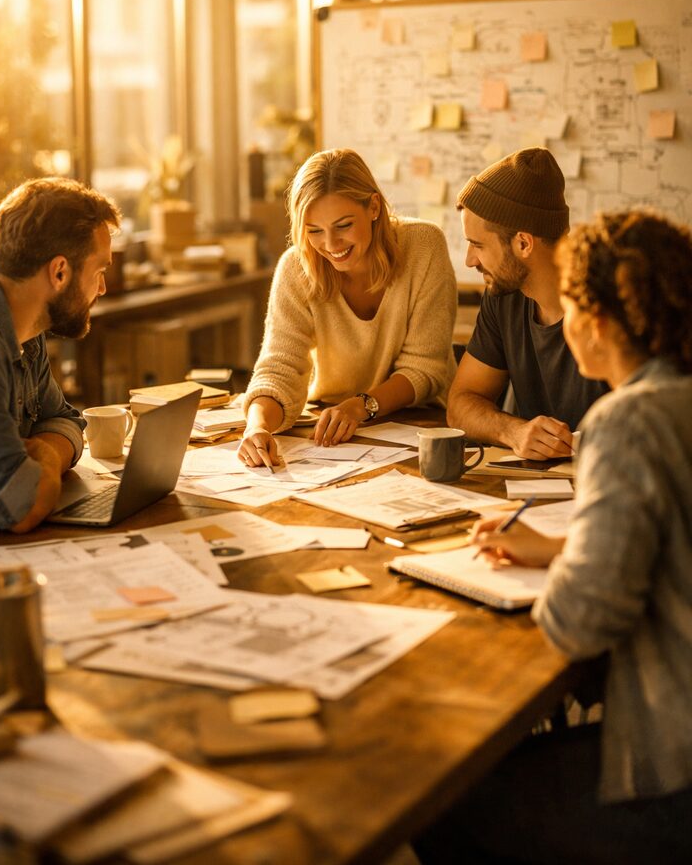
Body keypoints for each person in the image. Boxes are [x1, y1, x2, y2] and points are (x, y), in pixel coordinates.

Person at [415, 209, 692, 865]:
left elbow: (578, 623)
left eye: (568, 307)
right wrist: (566, 546)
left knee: (442, 798)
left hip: (674, 772)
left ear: (594, 324)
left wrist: (570, 569)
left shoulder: (623, 422)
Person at [238, 149, 457, 467]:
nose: (331, 244)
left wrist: (360, 406)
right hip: (332, 427)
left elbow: (425, 369)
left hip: (420, 423)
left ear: (373, 207)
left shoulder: (424, 246)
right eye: (314, 231)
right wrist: (256, 427)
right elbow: (279, 369)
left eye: (343, 226)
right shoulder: (295, 268)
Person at [0, 178, 121, 534]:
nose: (101, 288)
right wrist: (43, 469)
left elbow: (67, 422)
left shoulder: (27, 330)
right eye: (99, 271)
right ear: (59, 272)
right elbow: (22, 508)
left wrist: (44, 457)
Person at [447, 147, 607, 460]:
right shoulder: (502, 296)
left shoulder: (612, 304)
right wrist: (513, 431)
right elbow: (461, 403)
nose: (469, 260)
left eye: (477, 245)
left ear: (523, 243)